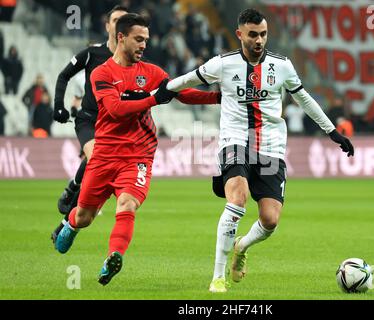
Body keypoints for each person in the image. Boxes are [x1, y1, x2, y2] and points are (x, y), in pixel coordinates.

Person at [166, 8, 354, 293]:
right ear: (240, 34)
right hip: (235, 141)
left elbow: (303, 98)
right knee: (237, 200)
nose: (259, 40)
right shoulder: (223, 64)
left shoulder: (282, 66)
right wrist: (161, 91)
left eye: (263, 34)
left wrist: (332, 132)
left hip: (270, 147)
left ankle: (242, 247)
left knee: (270, 220)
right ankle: (218, 277)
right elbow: (189, 79)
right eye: (253, 34)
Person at [54, 13, 221, 286]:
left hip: (138, 156)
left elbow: (179, 92)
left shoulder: (152, 72)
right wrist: (154, 98)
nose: (144, 45)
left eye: (146, 40)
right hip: (104, 155)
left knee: (127, 204)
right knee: (85, 216)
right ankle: (70, 224)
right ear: (121, 37)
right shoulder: (102, 73)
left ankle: (113, 257)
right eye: (138, 39)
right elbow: (115, 110)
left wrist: (217, 97)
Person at [50, 5, 128, 244]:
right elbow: (64, 75)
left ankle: (66, 223)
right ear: (107, 26)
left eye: (123, 21)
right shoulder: (93, 54)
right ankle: (73, 187)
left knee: (94, 174)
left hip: (113, 127)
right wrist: (58, 106)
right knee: (95, 159)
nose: (117, 24)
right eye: (114, 20)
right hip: (89, 120)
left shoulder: (132, 59)